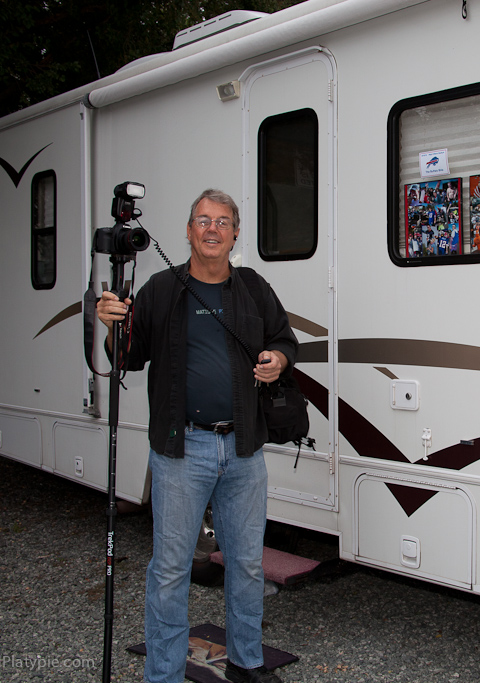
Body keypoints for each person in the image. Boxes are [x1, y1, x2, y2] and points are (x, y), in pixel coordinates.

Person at [96, 189, 298, 683]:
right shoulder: (161, 290)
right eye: (203, 220)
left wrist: (279, 360)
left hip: (244, 448)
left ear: (234, 235)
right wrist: (109, 326)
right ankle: (163, 674)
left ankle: (248, 662)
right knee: (170, 570)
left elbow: (283, 338)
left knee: (247, 566)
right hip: (181, 449)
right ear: (188, 232)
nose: (212, 229)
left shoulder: (253, 287)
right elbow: (127, 356)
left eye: (223, 221)